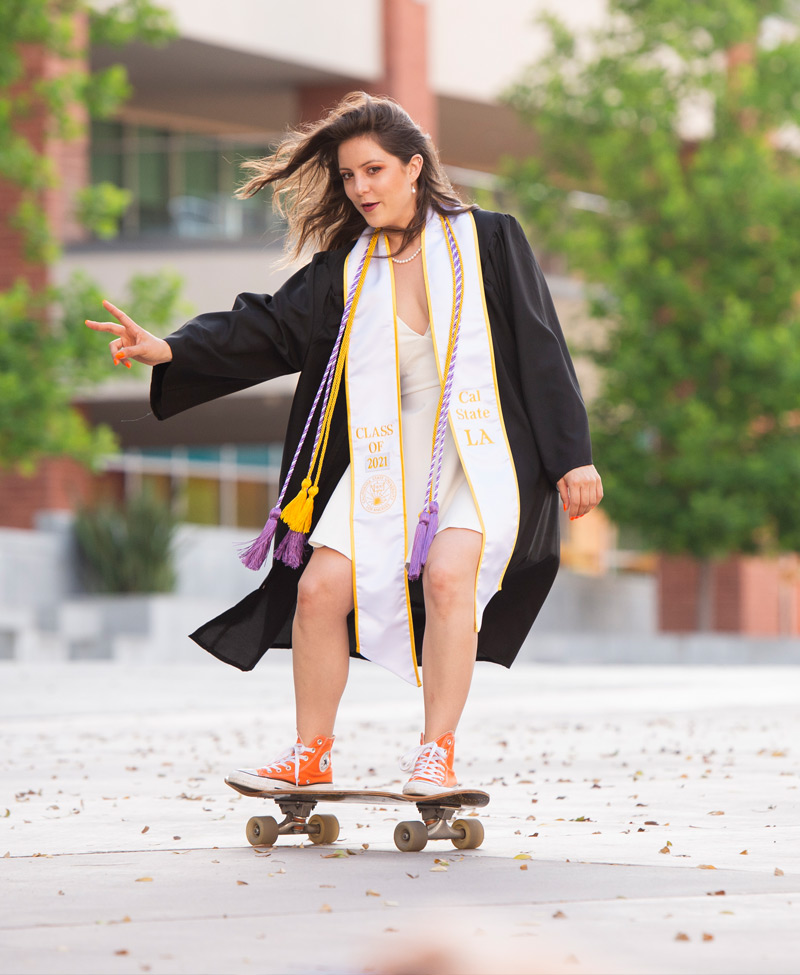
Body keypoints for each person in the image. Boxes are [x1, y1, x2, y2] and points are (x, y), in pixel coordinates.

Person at [85, 92, 602, 797]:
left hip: (482, 452)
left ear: (414, 168)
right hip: (389, 450)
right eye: (349, 176)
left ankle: (436, 753)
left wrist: (573, 455)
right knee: (320, 588)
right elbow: (264, 328)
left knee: (451, 576)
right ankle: (311, 752)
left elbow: (545, 348)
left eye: (374, 171)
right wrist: (170, 348)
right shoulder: (346, 271)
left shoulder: (490, 240)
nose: (359, 188)